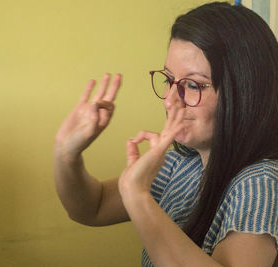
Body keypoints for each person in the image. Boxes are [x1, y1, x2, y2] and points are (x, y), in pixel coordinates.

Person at [54, 2, 278, 266]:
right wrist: (66, 154)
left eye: (193, 85)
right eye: (169, 81)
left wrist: (136, 195)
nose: (170, 101)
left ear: (244, 93)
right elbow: (92, 208)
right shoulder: (181, 165)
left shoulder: (260, 183)